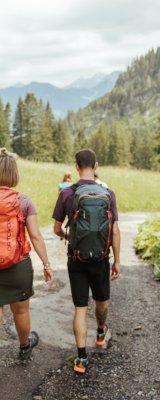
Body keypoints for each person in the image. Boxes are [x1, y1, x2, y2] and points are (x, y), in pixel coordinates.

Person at [53, 148, 120, 373]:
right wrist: (117, 261)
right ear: (96, 166)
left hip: (76, 259)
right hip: (101, 259)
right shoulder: (108, 193)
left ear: (76, 167)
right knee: (102, 302)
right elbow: (116, 231)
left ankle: (81, 359)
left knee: (80, 308)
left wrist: (69, 237)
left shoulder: (67, 193)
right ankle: (101, 332)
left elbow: (55, 228)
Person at [0, 148, 54, 360]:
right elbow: (36, 236)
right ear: (14, 174)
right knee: (21, 311)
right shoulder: (24, 201)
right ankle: (24, 346)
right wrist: (47, 264)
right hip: (18, 265)